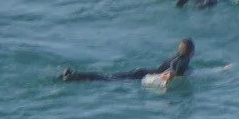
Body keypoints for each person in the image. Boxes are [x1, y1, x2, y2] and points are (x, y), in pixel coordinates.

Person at [61, 39, 195, 84]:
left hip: (141, 72)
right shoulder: (183, 60)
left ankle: (74, 74)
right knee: (107, 79)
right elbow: (172, 73)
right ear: (191, 52)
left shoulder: (174, 57)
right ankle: (73, 76)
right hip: (141, 76)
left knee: (107, 77)